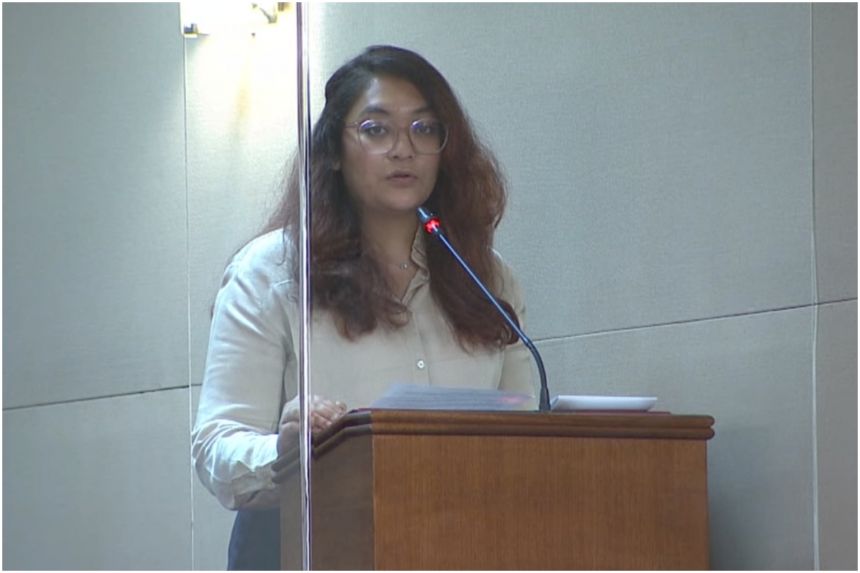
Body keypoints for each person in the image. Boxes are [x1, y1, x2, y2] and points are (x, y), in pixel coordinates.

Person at [191, 45, 536, 570]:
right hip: (308, 548)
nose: (405, 149)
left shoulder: (486, 276)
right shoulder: (273, 271)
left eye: (424, 130)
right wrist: (286, 453)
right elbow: (217, 449)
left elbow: (522, 431)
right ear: (332, 150)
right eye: (377, 130)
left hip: (461, 545)